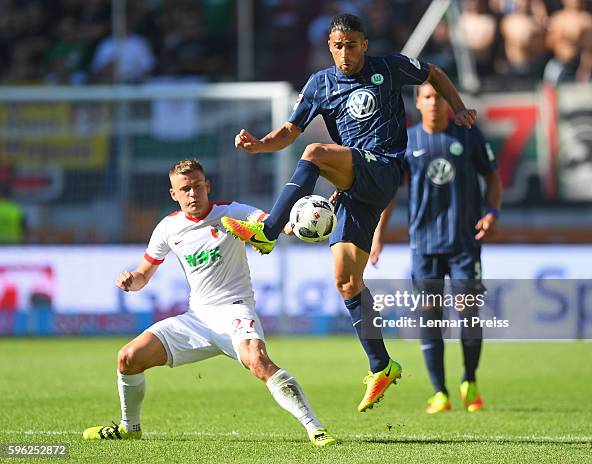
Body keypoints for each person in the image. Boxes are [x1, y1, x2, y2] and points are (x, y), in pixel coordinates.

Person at [220, 13, 477, 413]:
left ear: (365, 44)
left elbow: (434, 74)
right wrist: (258, 145)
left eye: (352, 45)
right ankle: (381, 365)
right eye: (338, 46)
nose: (345, 53)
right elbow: (290, 131)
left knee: (316, 153)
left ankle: (269, 229)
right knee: (346, 281)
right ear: (329, 47)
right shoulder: (320, 84)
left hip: (385, 166)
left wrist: (458, 108)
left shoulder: (388, 68)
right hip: (358, 189)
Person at [82, 159, 335, 446]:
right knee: (128, 358)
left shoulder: (232, 212)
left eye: (198, 186)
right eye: (185, 189)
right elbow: (144, 274)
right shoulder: (168, 228)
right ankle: (130, 427)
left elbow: (275, 226)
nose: (193, 194)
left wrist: (307, 219)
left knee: (259, 361)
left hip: (235, 309)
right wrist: (132, 281)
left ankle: (315, 428)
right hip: (197, 319)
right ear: (173, 194)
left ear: (207, 186)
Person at [370, 82, 502, 414]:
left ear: (447, 103)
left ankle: (469, 382)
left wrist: (492, 212)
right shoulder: (407, 142)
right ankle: (439, 393)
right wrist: (378, 235)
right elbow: (390, 194)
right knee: (430, 319)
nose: (434, 103)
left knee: (468, 314)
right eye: (428, 97)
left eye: (439, 97)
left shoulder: (468, 135)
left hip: (463, 243)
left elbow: (493, 178)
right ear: (417, 102)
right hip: (424, 245)